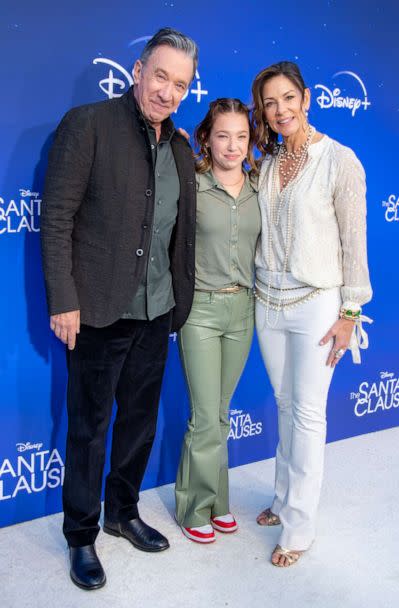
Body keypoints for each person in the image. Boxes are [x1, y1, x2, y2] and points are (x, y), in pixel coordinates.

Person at [41, 28, 198, 590]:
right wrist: (64, 299)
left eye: (180, 84)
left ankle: (122, 512)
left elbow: (182, 232)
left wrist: (180, 300)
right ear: (138, 70)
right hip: (98, 311)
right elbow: (56, 217)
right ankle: (81, 535)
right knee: (88, 429)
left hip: (157, 311)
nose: (168, 92)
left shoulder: (180, 147)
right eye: (161, 76)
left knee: (138, 423)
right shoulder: (88, 125)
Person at [251, 61, 372, 567]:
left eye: (287, 99)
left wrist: (350, 312)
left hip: (318, 303)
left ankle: (299, 526)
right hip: (267, 298)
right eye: (269, 103)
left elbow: (354, 241)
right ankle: (282, 500)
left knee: (307, 414)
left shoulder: (339, 160)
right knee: (283, 405)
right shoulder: (269, 162)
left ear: (306, 98)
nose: (279, 111)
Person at [174, 99, 261, 543]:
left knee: (221, 415)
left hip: (243, 309)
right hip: (201, 312)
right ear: (207, 136)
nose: (232, 145)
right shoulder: (190, 181)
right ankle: (192, 505)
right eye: (223, 135)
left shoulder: (260, 187)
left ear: (251, 141)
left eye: (242, 136)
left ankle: (217, 501)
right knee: (205, 416)